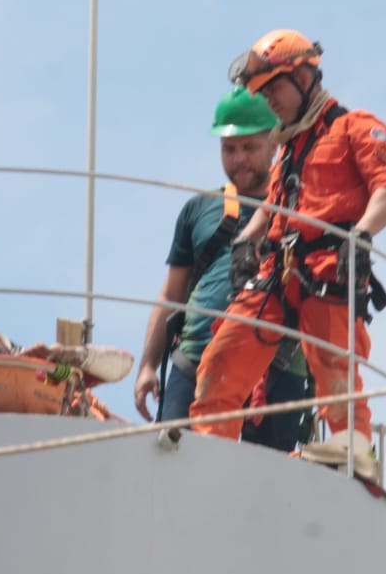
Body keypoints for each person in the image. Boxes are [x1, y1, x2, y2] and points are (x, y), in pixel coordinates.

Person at [189, 30, 386, 482]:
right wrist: (248, 239)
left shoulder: (355, 126)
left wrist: (361, 236)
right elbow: (270, 208)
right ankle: (208, 454)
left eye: (274, 90)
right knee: (222, 358)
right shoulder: (286, 149)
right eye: (260, 95)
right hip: (276, 273)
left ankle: (355, 459)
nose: (269, 103)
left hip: (329, 269)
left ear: (305, 76)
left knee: (334, 372)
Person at [133, 87, 312, 451]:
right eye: (229, 149)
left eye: (250, 148)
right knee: (175, 473)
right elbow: (172, 293)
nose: (238, 159)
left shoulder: (302, 207)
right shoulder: (200, 210)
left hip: (275, 367)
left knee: (266, 491)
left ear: (275, 144)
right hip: (195, 361)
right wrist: (148, 365)